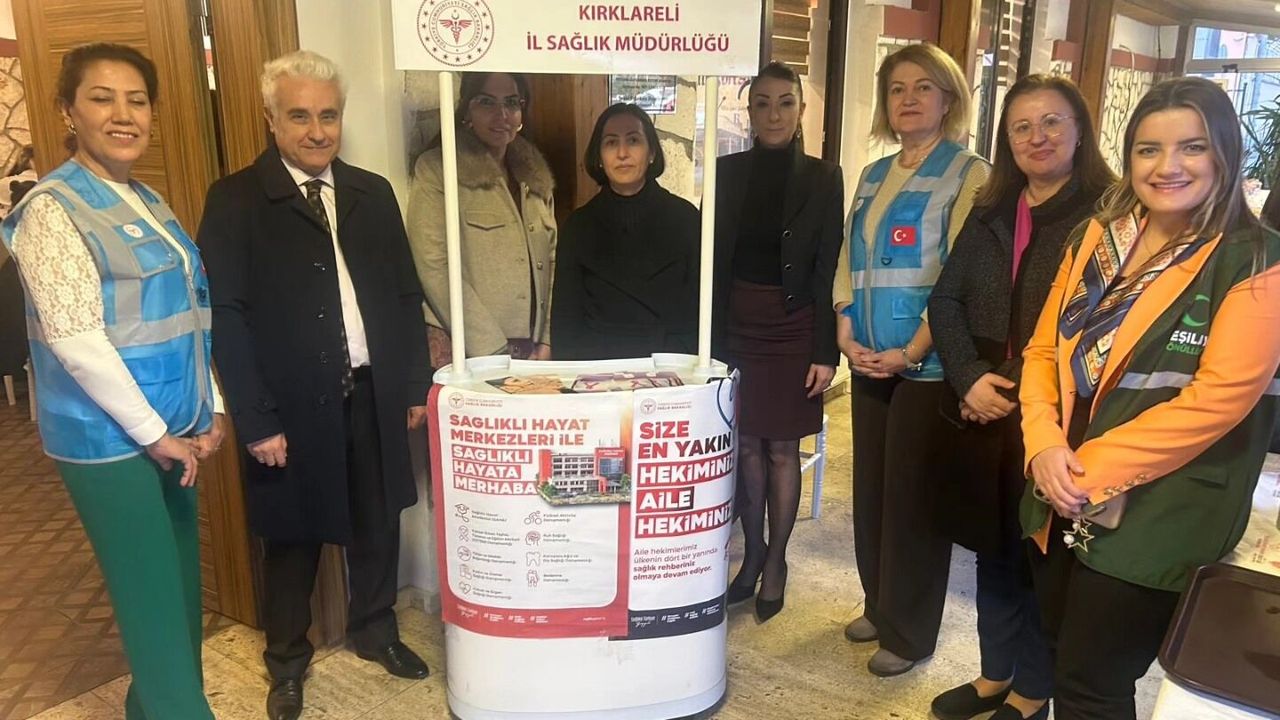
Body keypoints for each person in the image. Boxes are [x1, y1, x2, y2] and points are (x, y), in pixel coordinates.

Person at [1021, 76, 1280, 720]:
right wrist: (1043, 445)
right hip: (1059, 486)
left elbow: (1219, 398)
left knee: (1093, 685)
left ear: (1225, 153)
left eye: (1192, 147)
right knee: (1055, 650)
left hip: (1162, 507)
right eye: (1147, 149)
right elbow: (1044, 351)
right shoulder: (1097, 239)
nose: (1167, 167)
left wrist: (1083, 472)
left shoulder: (1255, 260)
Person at [197, 50, 432, 720]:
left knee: (378, 523)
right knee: (292, 540)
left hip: (373, 391)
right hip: (289, 409)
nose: (317, 130)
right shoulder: (236, 200)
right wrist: (255, 417)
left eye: (328, 115)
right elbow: (225, 315)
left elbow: (404, 293)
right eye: (299, 116)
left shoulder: (371, 192)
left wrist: (412, 383)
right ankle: (287, 662)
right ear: (270, 120)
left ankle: (376, 631)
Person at [0, 43, 221, 719]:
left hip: (172, 431)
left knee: (177, 601)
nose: (123, 115)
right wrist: (156, 434)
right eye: (102, 98)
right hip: (110, 442)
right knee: (151, 604)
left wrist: (211, 406)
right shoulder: (52, 208)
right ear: (68, 111)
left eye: (137, 100)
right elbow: (77, 342)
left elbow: (189, 311)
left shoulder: (146, 199)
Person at [927, 75, 1114, 720]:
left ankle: (1033, 691)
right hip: (981, 406)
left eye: (1052, 122)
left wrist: (998, 384)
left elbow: (1088, 323)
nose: (1038, 137)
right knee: (994, 549)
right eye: (1022, 127)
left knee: (1042, 556)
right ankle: (993, 676)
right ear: (1006, 140)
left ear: (1080, 129)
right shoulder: (992, 208)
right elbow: (944, 300)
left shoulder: (1107, 216)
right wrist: (968, 378)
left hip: (1056, 413)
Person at [834, 42, 989, 676]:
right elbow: (849, 257)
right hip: (869, 355)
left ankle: (911, 629)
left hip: (925, 365)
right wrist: (844, 326)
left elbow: (960, 274)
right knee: (872, 491)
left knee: (914, 501)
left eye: (924, 87)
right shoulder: (874, 173)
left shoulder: (969, 174)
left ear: (948, 99)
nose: (909, 98)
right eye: (897, 88)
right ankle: (880, 603)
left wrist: (913, 350)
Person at [712, 61, 844, 623]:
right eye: (762, 103)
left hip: (793, 327)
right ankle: (752, 554)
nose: (773, 114)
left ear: (801, 110)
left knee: (782, 448)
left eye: (785, 103)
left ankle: (776, 561)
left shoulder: (824, 177)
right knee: (745, 446)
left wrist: (825, 351)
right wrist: (710, 343)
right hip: (737, 326)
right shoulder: (725, 172)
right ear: (749, 112)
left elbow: (827, 265)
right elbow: (713, 260)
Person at [407, 72, 556, 364]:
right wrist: (493, 351)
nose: (502, 115)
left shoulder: (535, 176)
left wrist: (547, 339)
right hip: (468, 352)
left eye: (511, 102)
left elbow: (551, 261)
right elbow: (434, 266)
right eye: (487, 102)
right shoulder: (439, 169)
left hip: (533, 353)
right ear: (466, 110)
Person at [551, 103, 698, 359]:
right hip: (596, 369)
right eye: (611, 143)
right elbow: (565, 322)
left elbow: (700, 312)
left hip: (669, 366)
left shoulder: (686, 218)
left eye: (633, 140)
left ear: (652, 152)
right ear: (599, 157)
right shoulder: (578, 225)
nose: (622, 153)